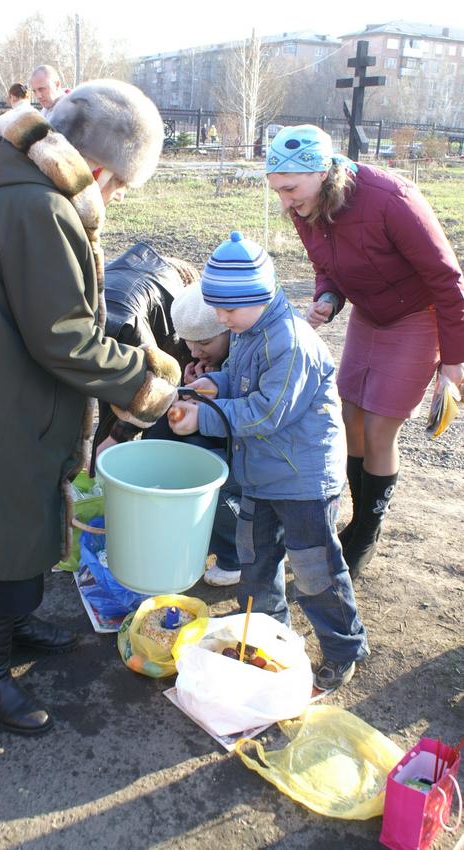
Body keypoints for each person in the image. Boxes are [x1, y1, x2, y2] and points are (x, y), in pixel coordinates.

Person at [0, 80, 179, 735]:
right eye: (119, 187)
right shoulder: (41, 209)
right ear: (100, 169)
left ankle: (13, 626)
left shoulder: (16, 190)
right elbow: (65, 338)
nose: (113, 199)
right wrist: (148, 380)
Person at [169, 232, 368, 691]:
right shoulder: (247, 331)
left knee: (315, 570)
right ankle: (270, 638)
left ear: (258, 297)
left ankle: (344, 647)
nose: (220, 318)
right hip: (261, 475)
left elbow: (266, 412)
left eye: (227, 310)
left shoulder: (291, 343)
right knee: (256, 563)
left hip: (303, 481)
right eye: (216, 309)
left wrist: (206, 415)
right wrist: (216, 385)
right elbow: (243, 382)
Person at [265, 124, 464, 579]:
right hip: (368, 315)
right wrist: (328, 297)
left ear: (321, 172)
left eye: (290, 189)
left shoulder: (391, 199)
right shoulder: (304, 206)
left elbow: (448, 280)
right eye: (278, 191)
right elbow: (325, 264)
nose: (285, 202)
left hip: (416, 315)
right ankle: (356, 519)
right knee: (349, 417)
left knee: (378, 428)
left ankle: (368, 532)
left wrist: (454, 362)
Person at [89, 242, 199, 470]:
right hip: (124, 324)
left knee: (118, 404)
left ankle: (102, 470)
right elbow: (156, 386)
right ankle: (113, 470)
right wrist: (115, 439)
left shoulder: (132, 269)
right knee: (150, 396)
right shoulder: (165, 307)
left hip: (97, 319)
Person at [167, 282, 241, 586]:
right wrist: (202, 384)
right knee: (168, 441)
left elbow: (250, 412)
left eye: (205, 342)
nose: (195, 352)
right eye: (188, 343)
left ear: (229, 326)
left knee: (204, 475)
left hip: (266, 455)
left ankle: (236, 556)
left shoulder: (251, 350)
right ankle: (207, 529)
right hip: (236, 440)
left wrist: (205, 406)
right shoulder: (214, 355)